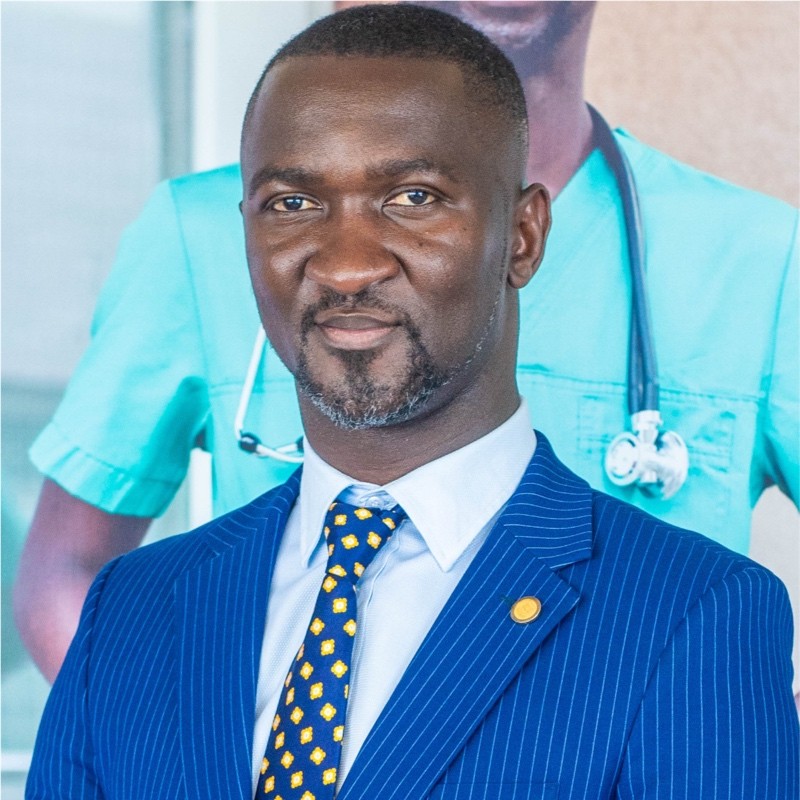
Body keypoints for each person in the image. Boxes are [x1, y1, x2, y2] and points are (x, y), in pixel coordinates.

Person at [26, 7, 798, 799]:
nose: (347, 266)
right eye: (292, 204)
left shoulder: (698, 617)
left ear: (524, 237)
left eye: (414, 197)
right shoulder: (130, 612)